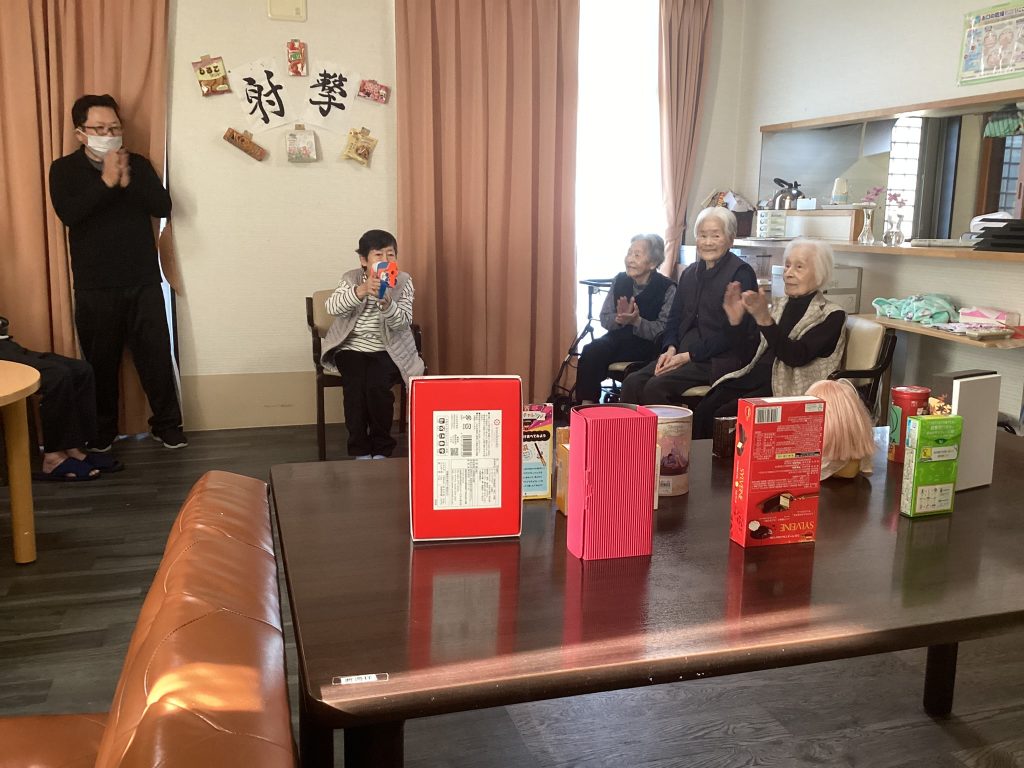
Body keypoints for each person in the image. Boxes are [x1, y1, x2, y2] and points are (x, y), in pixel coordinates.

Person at [48, 94, 185, 452]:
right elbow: (70, 214)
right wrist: (106, 182)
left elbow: (163, 206)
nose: (108, 135)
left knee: (155, 356)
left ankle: (167, 425)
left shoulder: (137, 164)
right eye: (99, 129)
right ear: (80, 133)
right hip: (95, 283)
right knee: (101, 363)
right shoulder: (63, 169)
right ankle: (103, 431)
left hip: (142, 278)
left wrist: (127, 181)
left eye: (114, 128)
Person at [691, 237, 848, 439]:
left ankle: (722, 460)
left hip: (788, 389)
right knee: (705, 408)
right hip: (755, 378)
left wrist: (764, 319)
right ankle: (700, 460)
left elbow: (796, 356)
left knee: (724, 416)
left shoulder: (831, 315)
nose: (788, 273)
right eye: (787, 265)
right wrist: (735, 322)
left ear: (819, 273)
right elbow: (749, 353)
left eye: (799, 267)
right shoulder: (779, 306)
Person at [620, 207, 758, 405]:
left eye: (715, 235)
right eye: (702, 235)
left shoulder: (741, 273)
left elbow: (734, 333)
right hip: (683, 353)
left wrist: (689, 355)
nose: (708, 242)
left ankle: (673, 427)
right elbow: (674, 319)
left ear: (731, 239)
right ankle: (630, 428)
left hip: (719, 359)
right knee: (632, 382)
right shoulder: (689, 273)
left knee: (655, 387)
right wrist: (670, 348)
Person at [321, 230, 425, 459]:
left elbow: (403, 323)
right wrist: (361, 290)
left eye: (391, 254)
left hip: (389, 348)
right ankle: (359, 449)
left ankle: (381, 449)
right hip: (351, 347)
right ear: (363, 260)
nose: (386, 260)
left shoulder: (403, 281)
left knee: (377, 389)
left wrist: (387, 304)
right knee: (356, 389)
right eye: (378, 255)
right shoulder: (350, 278)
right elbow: (332, 308)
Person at [0, 317, 122, 480]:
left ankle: (74, 449)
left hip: (5, 346)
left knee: (80, 370)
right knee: (56, 376)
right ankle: (53, 458)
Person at [574, 234, 676, 404]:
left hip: (649, 346)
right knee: (591, 350)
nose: (630, 259)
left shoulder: (668, 288)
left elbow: (663, 330)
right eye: (629, 253)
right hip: (618, 339)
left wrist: (636, 322)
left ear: (653, 263)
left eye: (637, 255)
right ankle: (586, 407)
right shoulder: (620, 280)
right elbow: (605, 318)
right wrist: (619, 319)